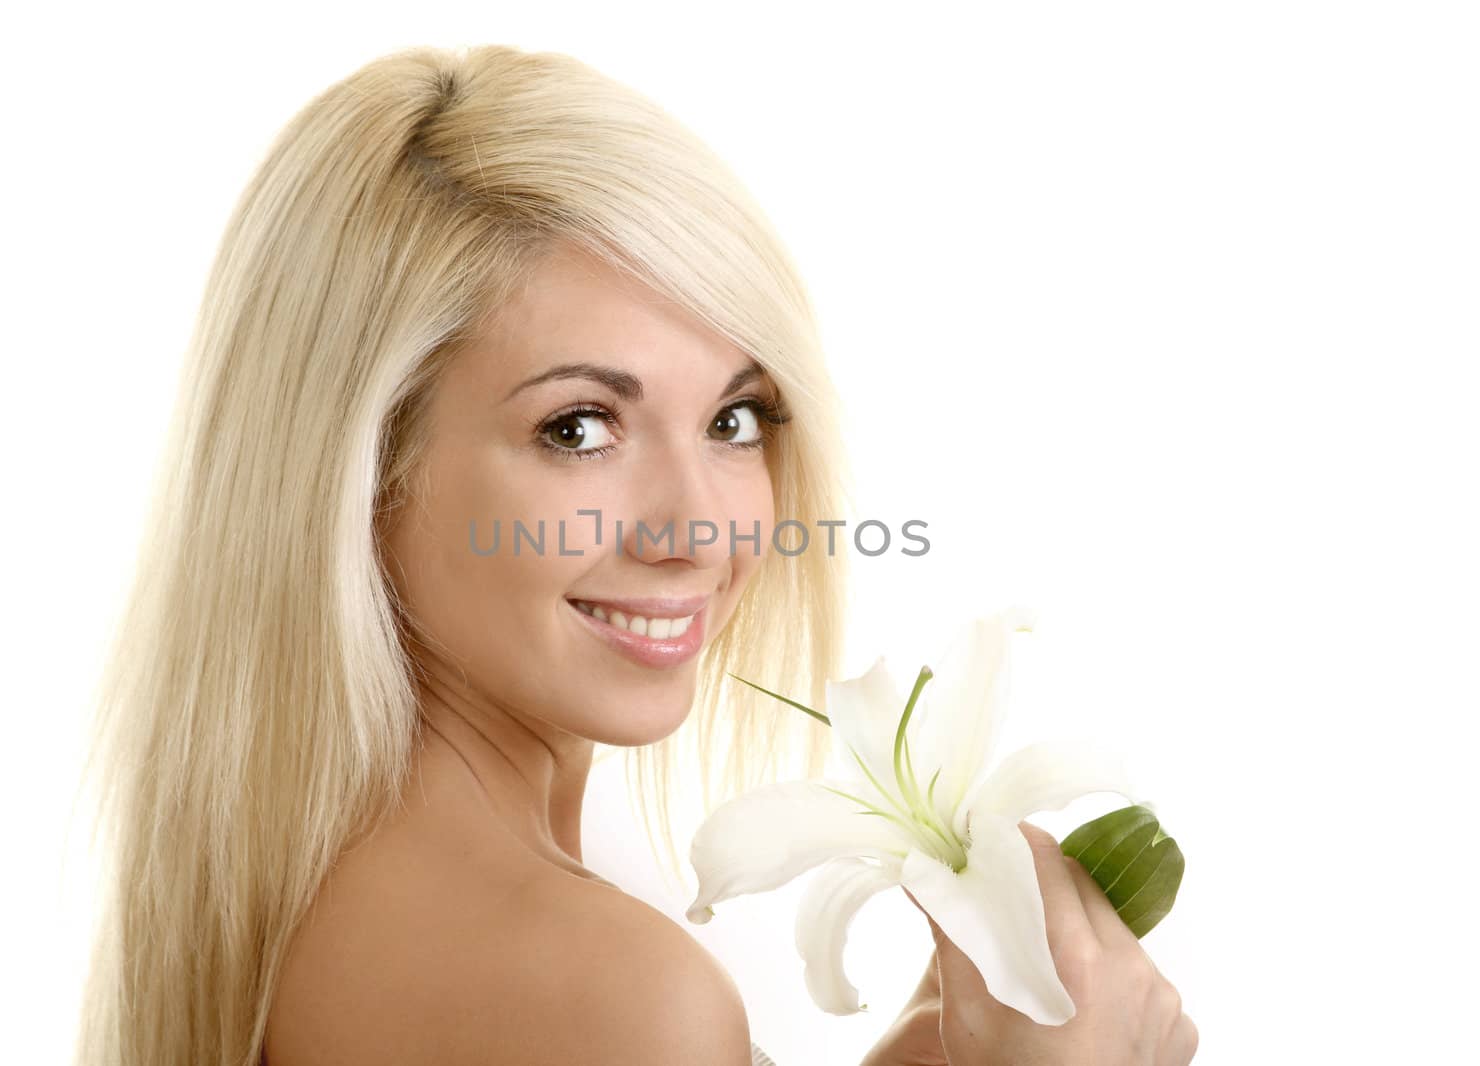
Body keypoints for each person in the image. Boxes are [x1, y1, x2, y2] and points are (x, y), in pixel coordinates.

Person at [73, 43, 1194, 1066]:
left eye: (736, 419)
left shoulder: (312, 898)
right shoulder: (610, 995)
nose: (698, 529)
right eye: (578, 428)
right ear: (364, 473)